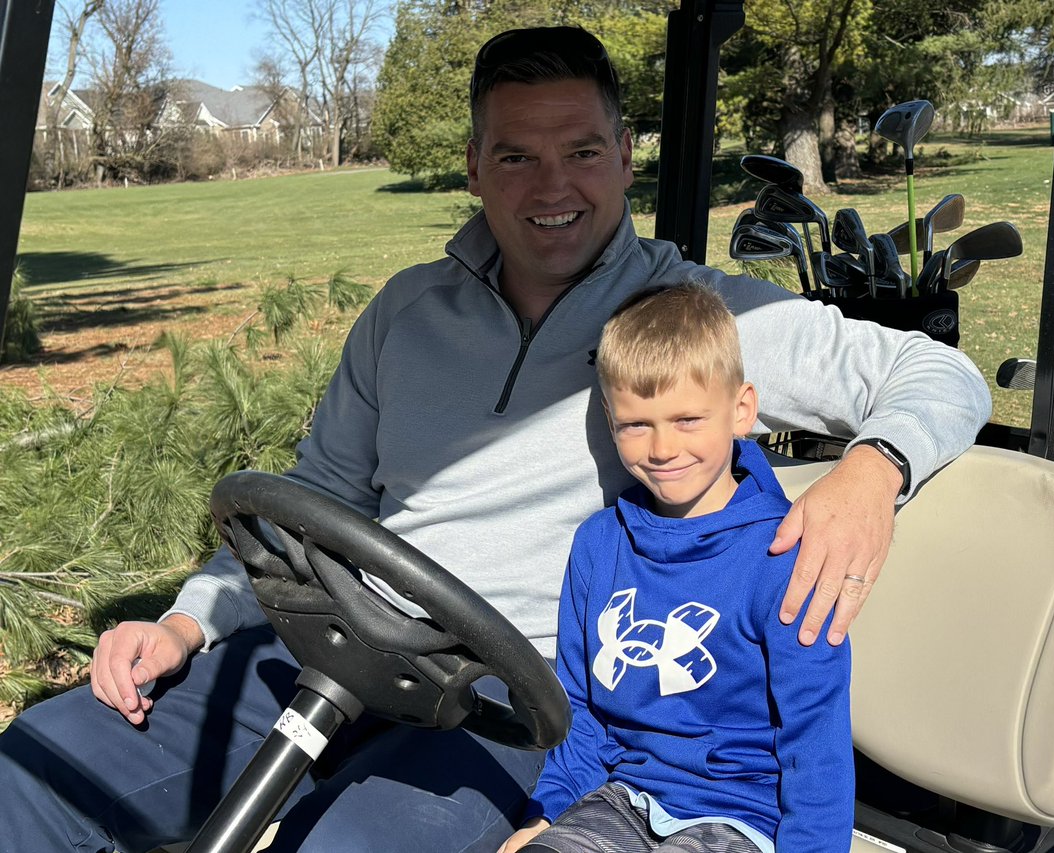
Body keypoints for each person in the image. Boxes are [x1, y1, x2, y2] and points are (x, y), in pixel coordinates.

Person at [0, 25, 989, 853]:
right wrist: (183, 622)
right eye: (516, 155)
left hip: (506, 693)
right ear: (475, 165)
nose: (551, 186)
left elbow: (937, 373)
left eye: (583, 151)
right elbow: (319, 494)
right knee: (35, 774)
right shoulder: (405, 312)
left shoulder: (691, 318)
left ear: (625, 155)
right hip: (326, 641)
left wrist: (873, 470)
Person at [500, 284, 853, 853]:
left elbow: (816, 739)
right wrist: (549, 816)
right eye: (636, 425)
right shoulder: (599, 546)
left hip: (742, 813)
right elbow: (582, 707)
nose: (662, 448)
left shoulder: (783, 559)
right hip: (622, 796)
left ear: (742, 411)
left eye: (688, 419)